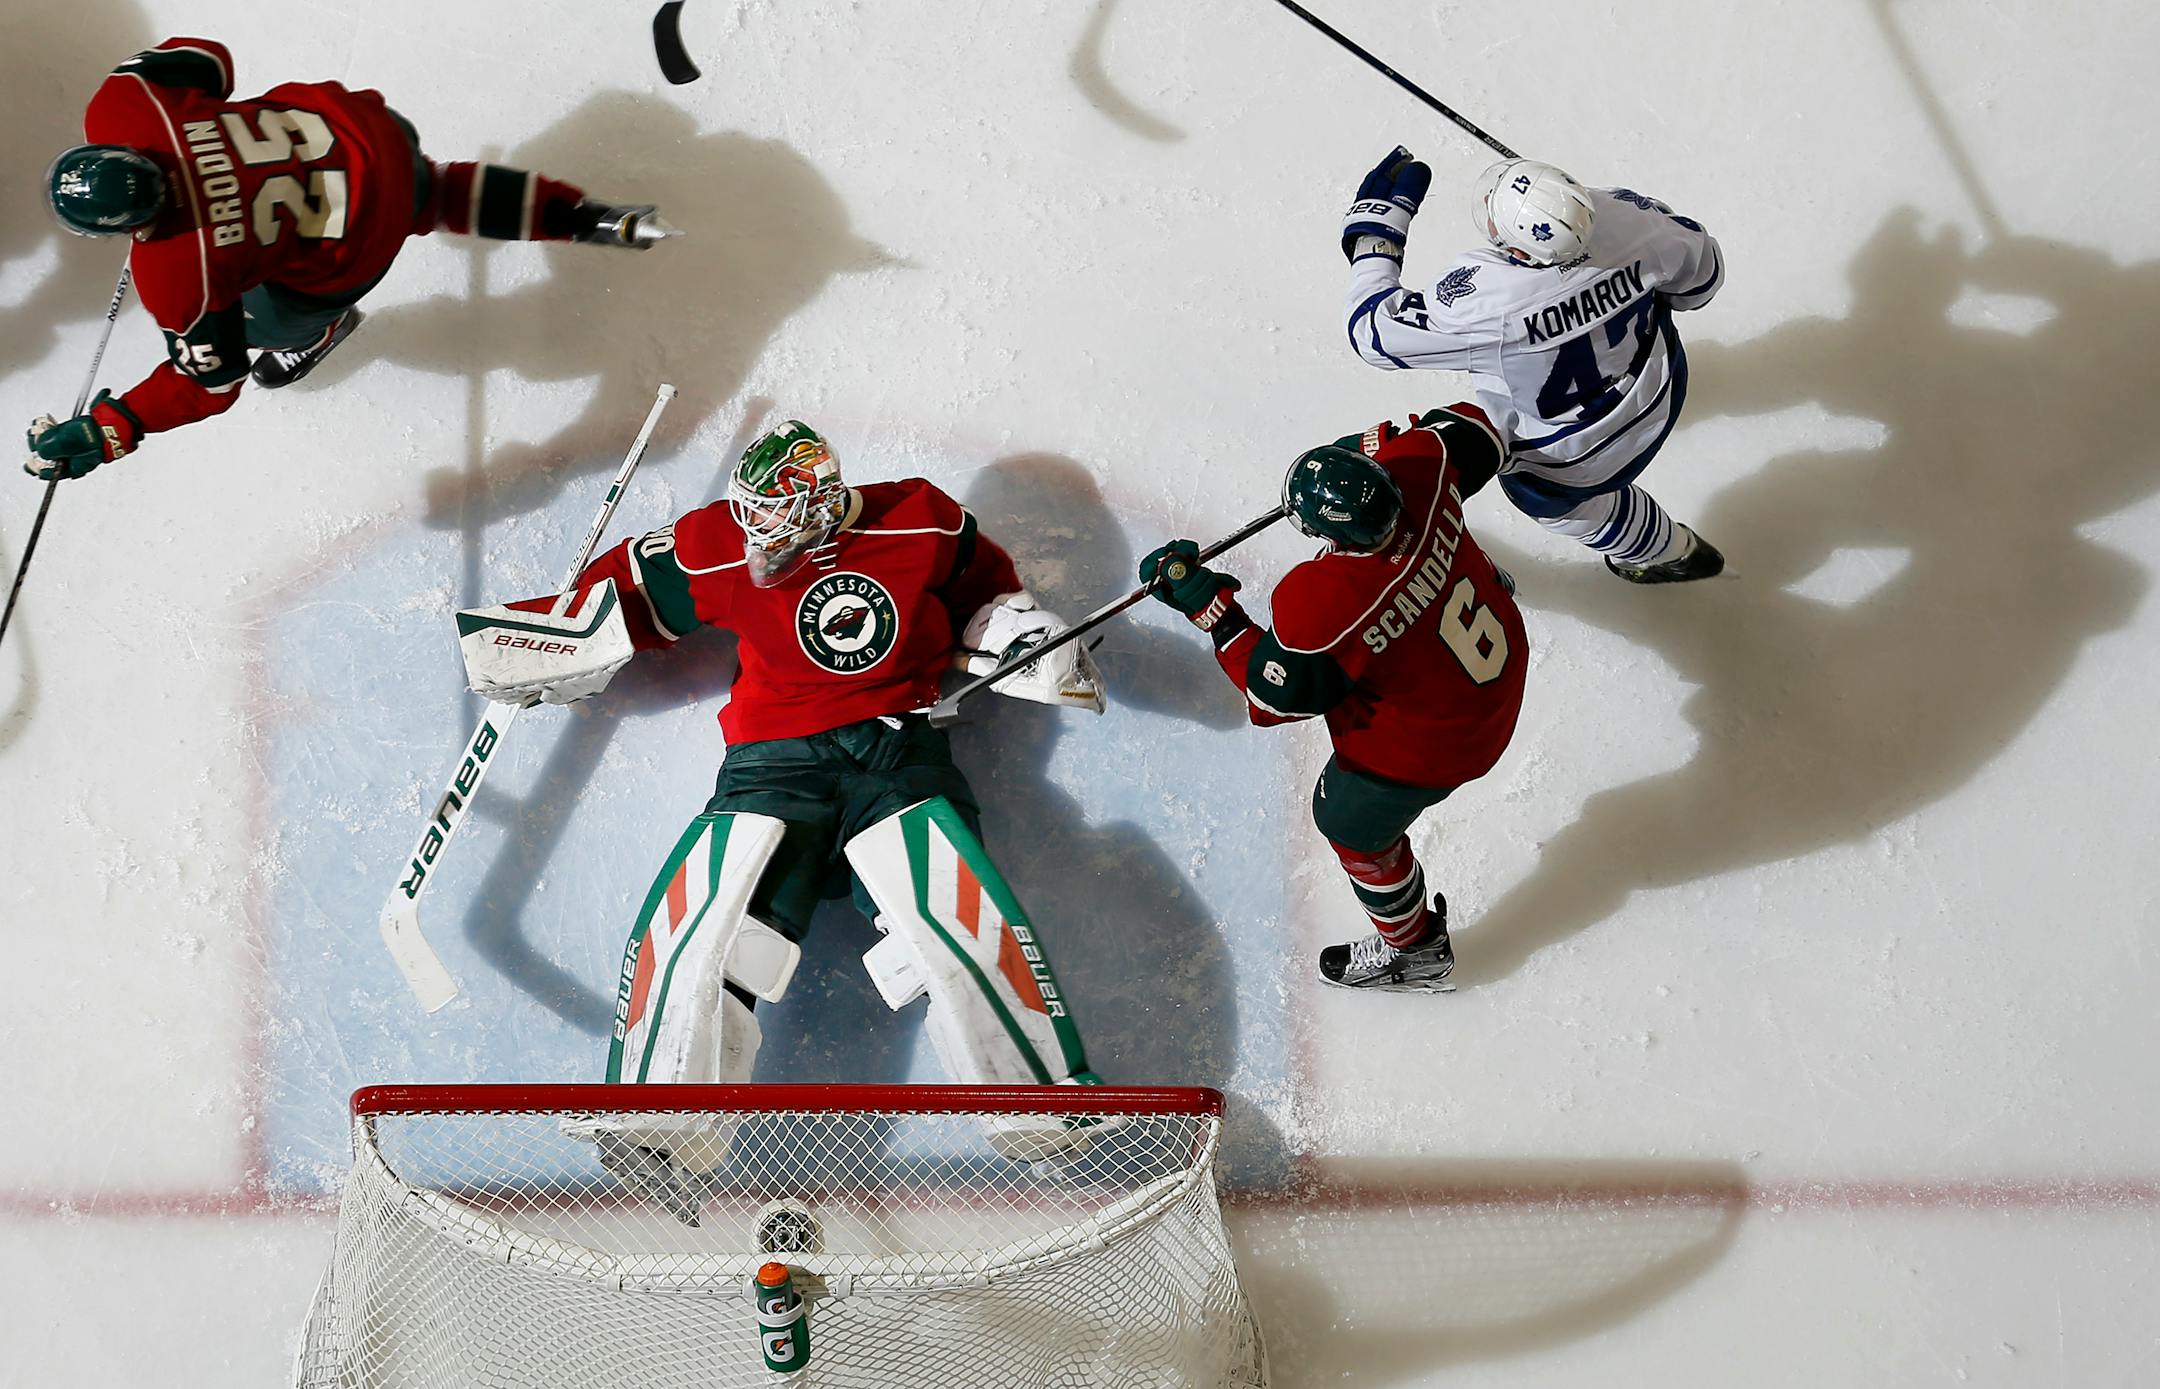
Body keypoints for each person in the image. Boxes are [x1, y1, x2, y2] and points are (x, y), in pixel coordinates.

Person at [456, 420, 1109, 1208]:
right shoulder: (716, 543)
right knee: (708, 920)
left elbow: (989, 593)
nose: (760, 541)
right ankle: (658, 1122)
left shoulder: (920, 519)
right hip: (775, 765)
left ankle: (1044, 1108)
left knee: (951, 913)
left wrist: (1021, 634)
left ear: (827, 504)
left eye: (779, 524)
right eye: (752, 518)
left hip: (898, 753)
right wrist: (552, 636)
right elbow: (623, 596)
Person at [24, 37, 674, 482]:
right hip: (366, 129)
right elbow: (209, 60)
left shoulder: (176, 271)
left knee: (259, 321)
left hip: (355, 235)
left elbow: (213, 384)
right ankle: (584, 216)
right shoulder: (123, 106)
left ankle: (318, 330)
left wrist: (116, 425)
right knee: (427, 189)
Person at [1141, 404, 1526, 990]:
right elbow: (1478, 431)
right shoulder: (1423, 463)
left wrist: (1211, 610)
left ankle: (1416, 952)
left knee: (1347, 823)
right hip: (1501, 662)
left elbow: (1273, 701)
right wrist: (1372, 447)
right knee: (1445, 570)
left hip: (1442, 742)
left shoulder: (1324, 599)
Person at [1340, 146, 1727, 583]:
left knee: (1553, 500)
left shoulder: (1484, 301)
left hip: (1568, 454)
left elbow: (1372, 334)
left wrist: (1376, 235)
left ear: (1523, 254)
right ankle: (1676, 552)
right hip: (1662, 388)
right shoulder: (1626, 216)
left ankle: (1669, 551)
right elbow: (1703, 278)